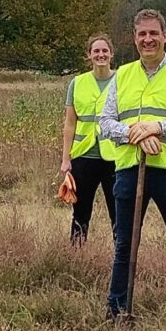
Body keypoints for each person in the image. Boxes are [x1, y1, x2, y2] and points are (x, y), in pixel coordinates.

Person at [99, 9, 166, 321]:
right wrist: (135, 133)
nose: (148, 39)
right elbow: (105, 122)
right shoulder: (122, 75)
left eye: (153, 33)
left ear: (164, 36)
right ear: (134, 38)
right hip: (128, 170)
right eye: (142, 34)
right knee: (124, 246)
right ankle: (116, 312)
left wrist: (158, 127)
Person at [59, 36, 126, 243]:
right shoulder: (77, 83)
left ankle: (121, 254)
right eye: (96, 51)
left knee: (119, 211)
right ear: (89, 55)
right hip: (83, 156)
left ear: (111, 54)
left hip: (115, 156)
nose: (100, 55)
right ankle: (77, 252)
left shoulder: (123, 81)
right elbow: (70, 123)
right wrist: (66, 159)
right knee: (80, 210)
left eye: (104, 51)